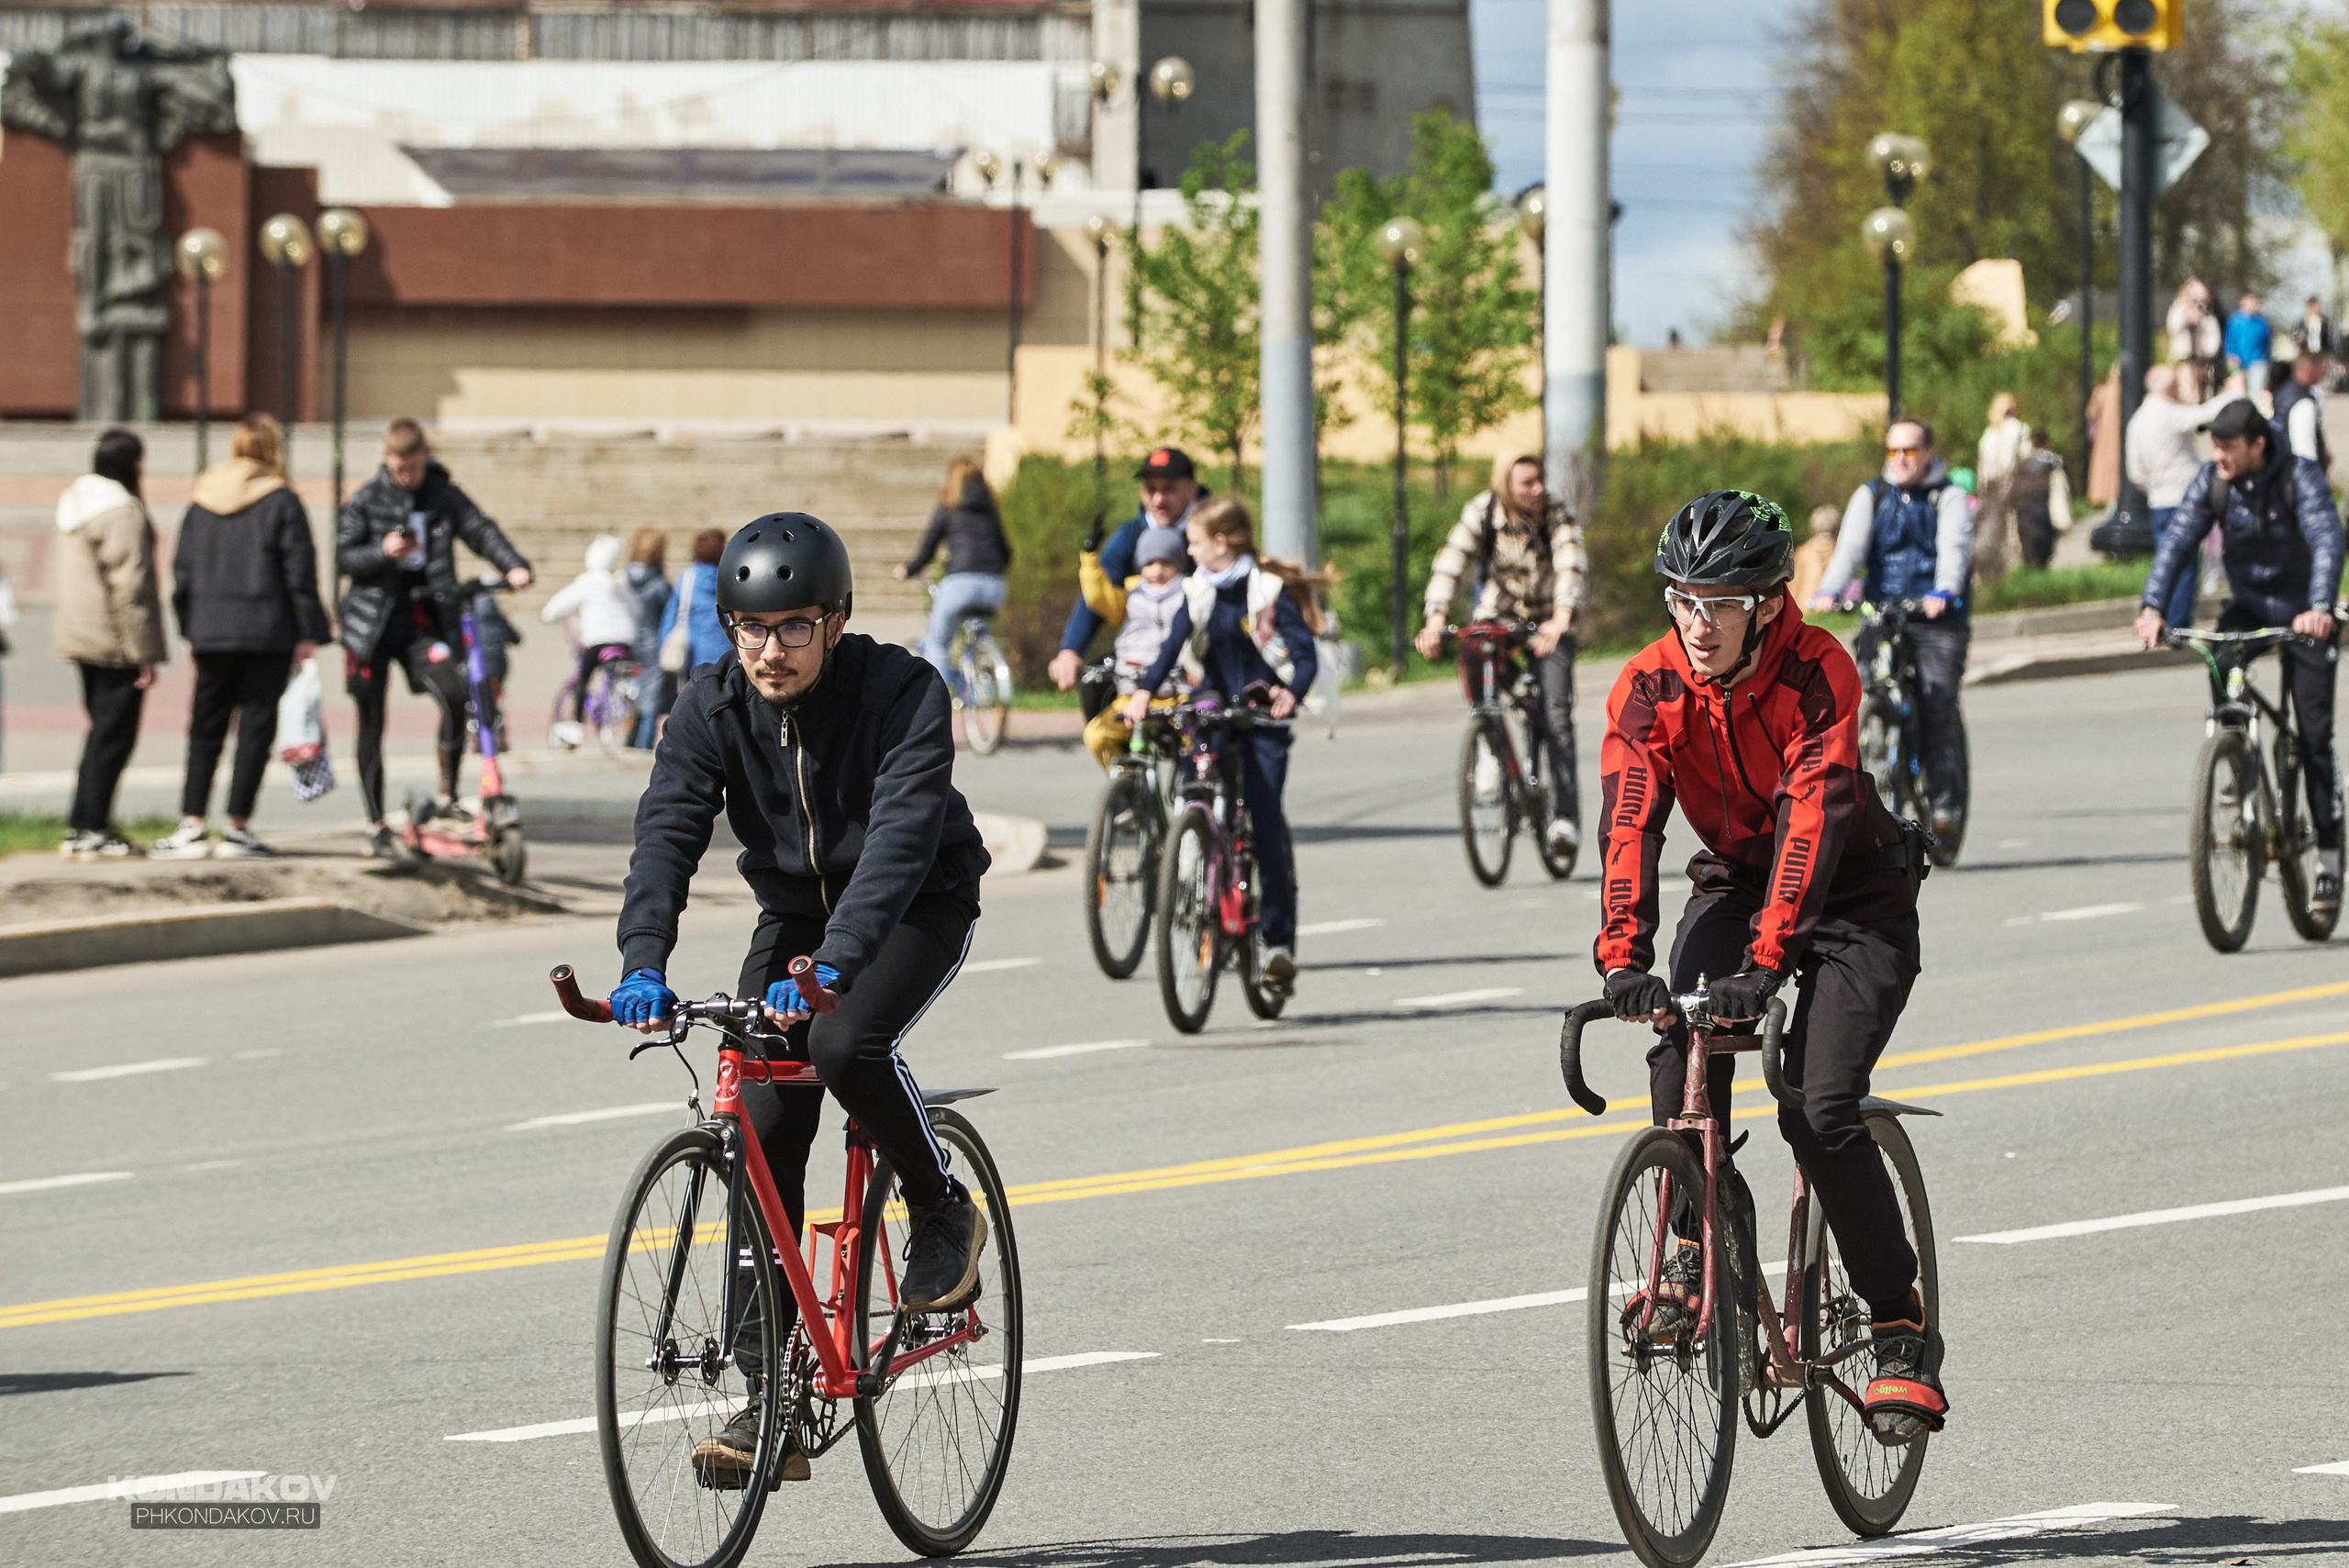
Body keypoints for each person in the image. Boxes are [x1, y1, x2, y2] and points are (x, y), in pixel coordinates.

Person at [607, 513, 994, 1486]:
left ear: (836, 620)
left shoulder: (903, 692)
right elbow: (666, 833)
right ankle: (765, 1398)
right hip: (793, 921)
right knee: (757, 1127)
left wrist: (838, 964)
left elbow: (902, 844)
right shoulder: (709, 708)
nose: (769, 650)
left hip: (913, 905)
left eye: (792, 628)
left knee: (843, 1040)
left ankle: (940, 1206)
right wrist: (642, 958)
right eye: (750, 628)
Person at [1595, 488, 1943, 1449]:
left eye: (1721, 601)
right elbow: (1628, 820)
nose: (1698, 622)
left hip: (1854, 895)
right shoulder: (1647, 684)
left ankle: (1898, 1324)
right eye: (1682, 598)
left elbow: (1813, 815)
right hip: (1741, 880)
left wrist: (1765, 960)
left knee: (1819, 1109)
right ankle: (1697, 1246)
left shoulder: (1817, 668)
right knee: (1676, 1045)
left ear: (1765, 600)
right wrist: (1622, 954)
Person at [2136, 398, 2345, 914]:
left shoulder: (2300, 476)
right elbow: (2178, 542)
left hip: (2304, 612)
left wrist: (2320, 606)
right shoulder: (2214, 481)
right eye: (2215, 446)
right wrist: (2153, 606)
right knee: (2219, 656)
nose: (2218, 455)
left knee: (2314, 737)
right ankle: (2234, 758)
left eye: (2228, 446)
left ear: (2257, 445)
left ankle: (2328, 861)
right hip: (2248, 607)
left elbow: (2325, 538)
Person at [1123, 497, 1321, 995]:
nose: (1186, 552)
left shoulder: (1268, 591)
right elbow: (1173, 644)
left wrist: (1289, 694)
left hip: (1258, 716)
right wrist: (1146, 689)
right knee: (1196, 789)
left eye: (1192, 542)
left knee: (1265, 817)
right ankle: (1193, 865)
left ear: (1220, 542)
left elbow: (1304, 655)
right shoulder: (1196, 592)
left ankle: (1278, 945)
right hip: (1212, 710)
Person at [339, 418, 532, 854]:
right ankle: (376, 823)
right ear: (387, 460)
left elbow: (480, 528)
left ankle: (446, 796)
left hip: (422, 622)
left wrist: (513, 565)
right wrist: (382, 553)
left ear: (425, 456)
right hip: (369, 626)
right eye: (398, 468)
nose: (406, 476)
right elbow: (344, 556)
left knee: (456, 693)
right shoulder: (367, 500)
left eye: (412, 467)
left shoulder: (443, 495)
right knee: (371, 723)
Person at [152, 413, 332, 859]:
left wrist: (190, 627)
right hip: (268, 631)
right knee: (255, 727)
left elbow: (182, 572)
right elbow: (299, 572)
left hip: (211, 631)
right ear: (273, 450)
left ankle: (192, 823)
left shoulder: (202, 499)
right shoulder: (282, 500)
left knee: (205, 727)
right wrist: (309, 631)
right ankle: (238, 826)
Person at [1413, 448, 1588, 858]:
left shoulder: (1556, 515)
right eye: (1527, 482)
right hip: (1501, 618)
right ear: (1505, 485)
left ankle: (1564, 819)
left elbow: (1571, 565)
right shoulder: (1483, 510)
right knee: (1472, 650)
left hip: (1548, 623)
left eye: (1540, 479)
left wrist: (1561, 619)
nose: (1538, 489)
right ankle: (1491, 740)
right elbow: (1451, 561)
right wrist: (1436, 617)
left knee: (1556, 716)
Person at [1811, 419, 1973, 856]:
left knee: (1937, 701)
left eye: (1910, 451)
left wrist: (1944, 590)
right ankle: (1864, 797)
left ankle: (1945, 807)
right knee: (1859, 693)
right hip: (1881, 612)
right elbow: (1850, 549)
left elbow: (1954, 549)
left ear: (1928, 453)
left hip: (1936, 617)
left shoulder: (1948, 496)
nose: (1900, 460)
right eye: (1892, 452)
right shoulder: (1872, 495)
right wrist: (1830, 589)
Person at [51, 427, 165, 857]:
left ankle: (83, 824)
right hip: (115, 640)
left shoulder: (78, 501)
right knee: (114, 735)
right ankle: (92, 824)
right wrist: (143, 654)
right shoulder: (121, 511)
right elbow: (130, 587)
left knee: (100, 732)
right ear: (132, 465)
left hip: (81, 635)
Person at [1047, 446, 1207, 691]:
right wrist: (1070, 650)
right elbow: (1101, 593)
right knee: (1095, 691)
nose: (1158, 499)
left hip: (1199, 657)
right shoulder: (1130, 535)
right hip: (1143, 656)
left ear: (1191, 490)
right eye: (1151, 489)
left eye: (1169, 489)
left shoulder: (1212, 527)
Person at [2126, 364, 2233, 629]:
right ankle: (2178, 623)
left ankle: (2161, 616)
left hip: (2157, 500)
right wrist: (2231, 394)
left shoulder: (2137, 421)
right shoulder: (2168, 413)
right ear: (2169, 387)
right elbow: (2202, 416)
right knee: (2184, 564)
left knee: (2166, 558)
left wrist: (2154, 487)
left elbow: (2135, 472)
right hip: (2183, 497)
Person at [896, 456, 1013, 684]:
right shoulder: (990, 509)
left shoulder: (948, 505)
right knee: (978, 635)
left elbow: (928, 550)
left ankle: (936, 699)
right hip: (995, 586)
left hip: (960, 583)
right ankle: (984, 684)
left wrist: (908, 570)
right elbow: (1006, 552)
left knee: (938, 642)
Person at [1082, 525, 1189, 768]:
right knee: (1096, 735)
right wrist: (1089, 559)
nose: (1157, 571)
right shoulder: (1132, 595)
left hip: (1177, 695)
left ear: (1180, 563)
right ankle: (1126, 781)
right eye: (1150, 563)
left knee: (1195, 743)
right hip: (1131, 695)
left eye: (1166, 563)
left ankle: (1192, 793)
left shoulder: (1189, 594)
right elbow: (1099, 597)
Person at [540, 535, 640, 749]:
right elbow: (637, 608)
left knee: (582, 679)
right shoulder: (620, 580)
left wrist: (550, 616)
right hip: (625, 641)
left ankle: (576, 724)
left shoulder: (589, 580)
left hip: (598, 641)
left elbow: (557, 606)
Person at [620, 528, 673, 750]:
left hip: (627, 643)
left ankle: (629, 742)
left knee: (633, 697)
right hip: (653, 646)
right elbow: (668, 618)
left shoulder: (622, 580)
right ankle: (643, 747)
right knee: (650, 701)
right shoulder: (660, 585)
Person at [657, 528, 730, 678]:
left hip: (694, 656)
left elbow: (671, 615)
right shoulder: (729, 578)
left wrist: (666, 643)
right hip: (727, 653)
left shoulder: (688, 578)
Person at [2274, 350, 2332, 475]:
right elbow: (2306, 453)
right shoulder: (2303, 402)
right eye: (2322, 369)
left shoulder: (2283, 392)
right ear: (2311, 369)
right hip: (2301, 476)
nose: (2324, 374)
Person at [1789, 505, 1842, 611]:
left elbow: (1792, 585)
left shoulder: (1803, 552)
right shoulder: (1840, 551)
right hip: (1832, 608)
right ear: (1837, 527)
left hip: (1802, 609)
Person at [2225, 290, 2274, 397]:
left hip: (2257, 361)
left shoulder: (2262, 322)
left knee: (2256, 392)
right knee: (2237, 393)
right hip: (2237, 361)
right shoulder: (2234, 321)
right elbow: (2229, 340)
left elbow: (2268, 344)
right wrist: (2230, 356)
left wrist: (2268, 359)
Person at [2298, 295, 2335, 362]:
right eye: (2312, 305)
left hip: (2321, 353)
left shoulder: (2324, 322)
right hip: (2307, 353)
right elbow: (2300, 337)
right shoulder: (2302, 322)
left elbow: (2328, 338)